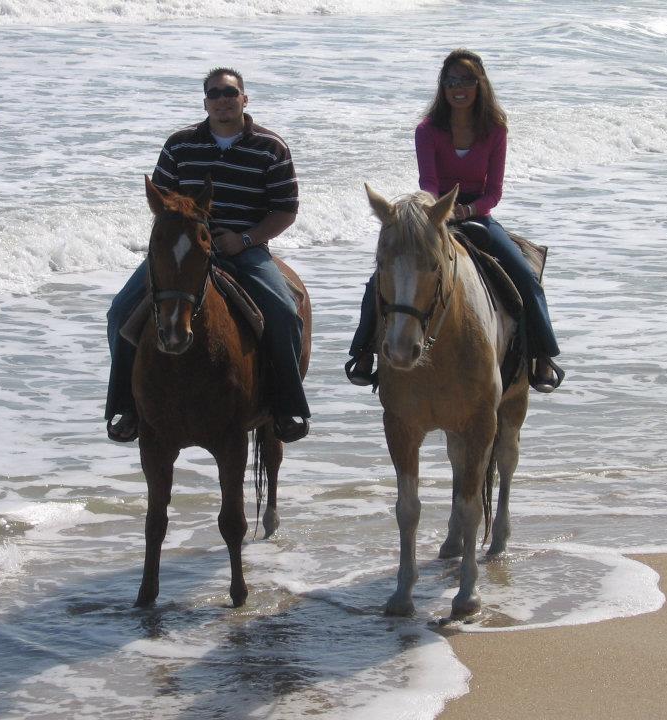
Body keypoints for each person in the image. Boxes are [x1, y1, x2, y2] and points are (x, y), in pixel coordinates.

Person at [106, 67, 310, 443]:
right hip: (184, 252)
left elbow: (285, 210)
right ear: (205, 102)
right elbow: (163, 202)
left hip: (242, 250)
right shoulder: (180, 144)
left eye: (229, 93)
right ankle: (125, 406)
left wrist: (245, 240)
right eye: (214, 94)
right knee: (120, 311)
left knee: (284, 312)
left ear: (244, 99)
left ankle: (286, 406)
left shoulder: (271, 148)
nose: (222, 100)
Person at [346, 49, 564, 392]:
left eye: (465, 81)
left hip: (478, 215)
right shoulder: (428, 130)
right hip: (434, 214)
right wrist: (437, 211)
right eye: (450, 81)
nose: (457, 88)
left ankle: (542, 356)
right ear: (442, 87)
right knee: (382, 277)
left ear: (480, 85)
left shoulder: (495, 130)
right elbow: (428, 182)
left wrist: (469, 211)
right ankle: (362, 353)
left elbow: (493, 192)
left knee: (525, 276)